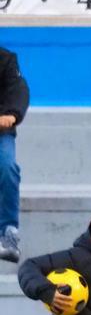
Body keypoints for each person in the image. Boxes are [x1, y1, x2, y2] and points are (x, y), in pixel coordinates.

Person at [0, 46, 30, 263]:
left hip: (1, 131)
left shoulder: (6, 59)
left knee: (7, 167)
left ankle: (8, 234)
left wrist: (12, 114)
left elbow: (18, 89)